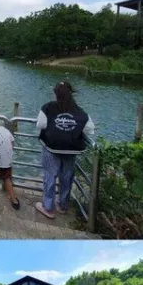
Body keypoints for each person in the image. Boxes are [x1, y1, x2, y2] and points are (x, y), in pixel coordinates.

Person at [34, 81, 94, 219]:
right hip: (71, 150)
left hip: (51, 147)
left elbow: (40, 124)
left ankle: (48, 207)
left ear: (56, 93)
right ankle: (62, 205)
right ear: (71, 93)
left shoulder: (48, 107)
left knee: (50, 176)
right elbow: (90, 129)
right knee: (66, 177)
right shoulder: (80, 111)